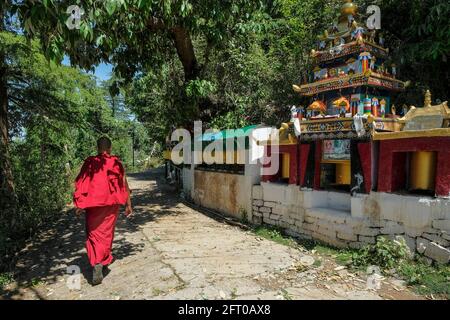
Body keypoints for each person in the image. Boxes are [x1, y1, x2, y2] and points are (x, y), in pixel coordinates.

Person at [73, 137, 132, 285]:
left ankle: (97, 262)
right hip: (111, 205)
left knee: (94, 233)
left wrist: (79, 203)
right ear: (110, 148)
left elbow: (81, 182)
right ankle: (102, 260)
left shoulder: (90, 162)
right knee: (106, 233)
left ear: (97, 147)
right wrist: (128, 204)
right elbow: (124, 183)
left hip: (93, 205)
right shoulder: (116, 163)